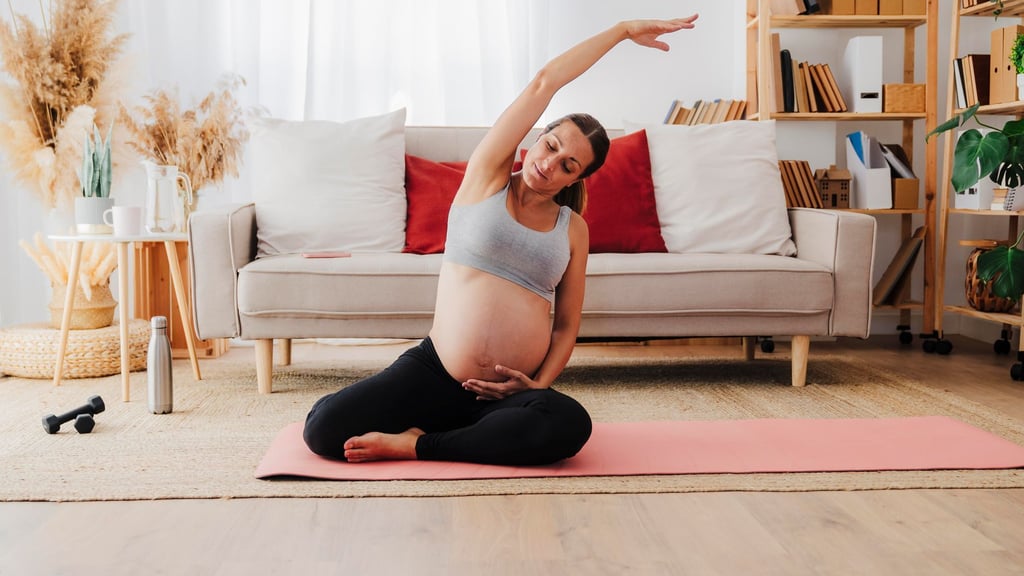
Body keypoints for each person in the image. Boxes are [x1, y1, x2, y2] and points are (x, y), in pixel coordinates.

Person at [303, 15, 699, 466]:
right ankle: (460, 437)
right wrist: (621, 32)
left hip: (504, 394)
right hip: (434, 372)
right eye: (552, 146)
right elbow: (544, 82)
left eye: (569, 165)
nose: (551, 164)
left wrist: (540, 384)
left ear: (580, 177)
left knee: (568, 424)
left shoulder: (572, 229)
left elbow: (567, 323)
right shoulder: (486, 179)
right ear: (540, 137)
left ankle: (418, 443)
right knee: (322, 428)